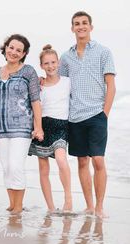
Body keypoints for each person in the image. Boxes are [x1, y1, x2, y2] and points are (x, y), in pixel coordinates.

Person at [59, 11, 116, 218]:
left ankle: (100, 207)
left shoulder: (103, 52)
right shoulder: (65, 57)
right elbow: (61, 87)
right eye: (76, 23)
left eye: (84, 23)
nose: (80, 26)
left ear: (91, 27)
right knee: (82, 161)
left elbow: (111, 86)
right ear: (72, 28)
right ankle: (89, 206)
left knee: (98, 161)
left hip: (96, 115)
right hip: (74, 117)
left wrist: (105, 114)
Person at [0, 34, 44, 214]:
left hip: (22, 128)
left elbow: (35, 101)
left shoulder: (28, 72)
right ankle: (12, 203)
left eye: (19, 50)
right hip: (0, 129)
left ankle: (18, 207)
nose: (14, 52)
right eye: (11, 48)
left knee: (16, 166)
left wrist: (38, 126)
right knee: (7, 167)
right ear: (5, 48)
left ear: (24, 53)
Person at [29, 45, 72, 212]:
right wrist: (36, 128)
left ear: (59, 63)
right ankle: (51, 207)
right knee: (43, 168)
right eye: (46, 63)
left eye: (53, 62)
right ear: (41, 66)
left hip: (61, 126)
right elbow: (35, 108)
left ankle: (68, 199)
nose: (50, 66)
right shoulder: (39, 86)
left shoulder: (67, 82)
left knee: (61, 160)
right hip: (42, 126)